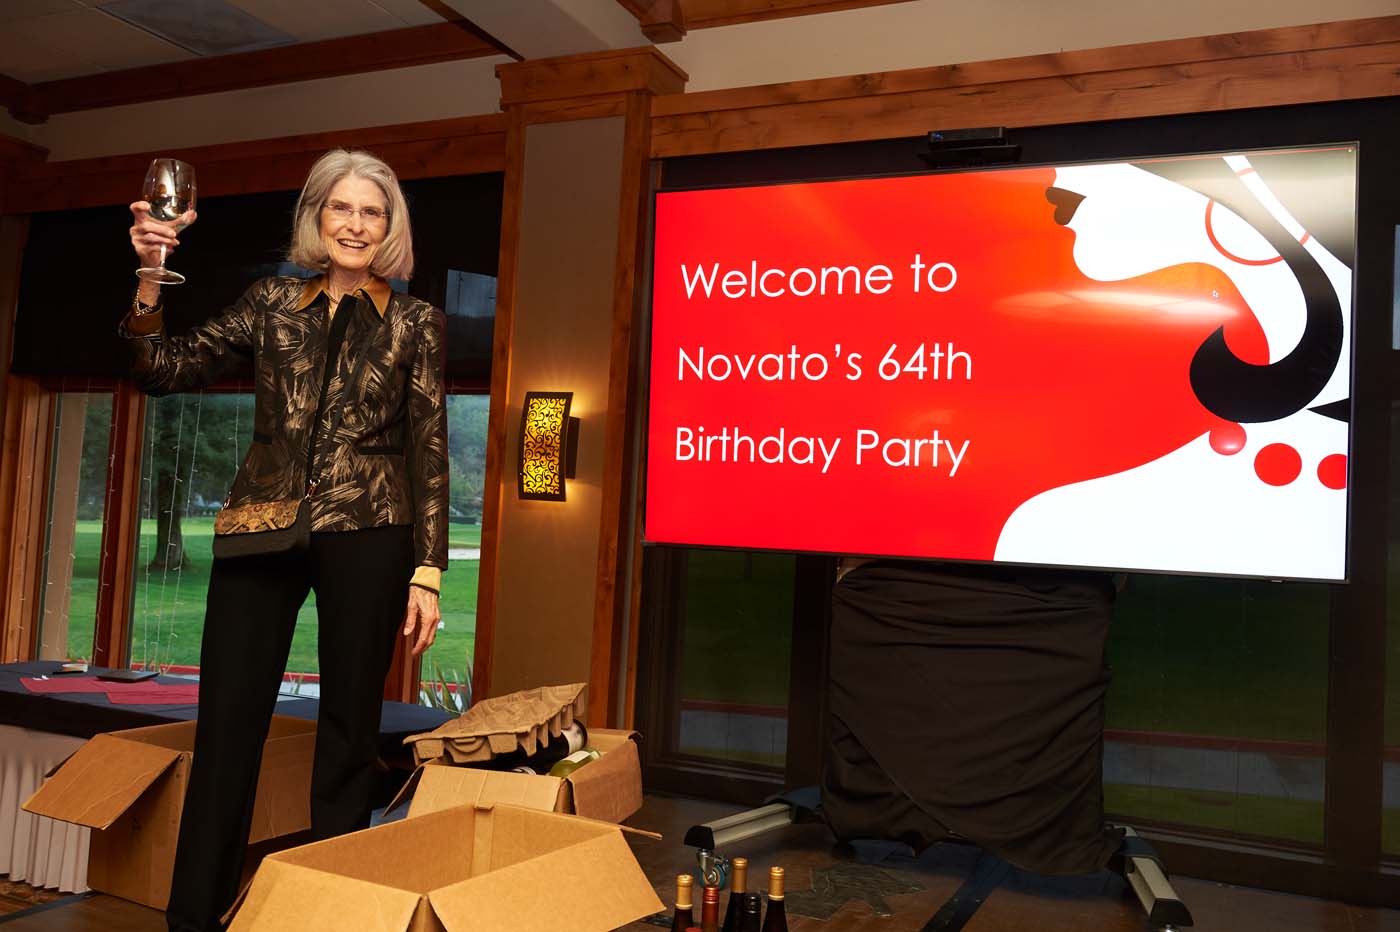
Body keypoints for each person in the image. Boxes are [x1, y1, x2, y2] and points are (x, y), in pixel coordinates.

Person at [123, 149, 448, 932]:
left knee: (347, 738)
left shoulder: (415, 323)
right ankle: (192, 917)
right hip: (260, 529)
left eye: (372, 213)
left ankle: (323, 915)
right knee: (228, 727)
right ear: (316, 218)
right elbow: (164, 369)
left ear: (389, 229)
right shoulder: (270, 301)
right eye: (342, 208)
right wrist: (151, 274)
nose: (356, 225)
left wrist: (428, 568)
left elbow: (428, 446)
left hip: (371, 531)